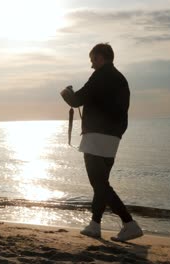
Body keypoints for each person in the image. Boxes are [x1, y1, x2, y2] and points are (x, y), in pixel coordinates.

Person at [60, 43, 143, 242]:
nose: (91, 65)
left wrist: (65, 91)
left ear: (100, 57)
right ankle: (95, 225)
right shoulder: (122, 80)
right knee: (101, 183)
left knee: (99, 184)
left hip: (96, 136)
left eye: (92, 60)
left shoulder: (99, 76)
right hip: (113, 137)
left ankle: (129, 223)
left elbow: (76, 100)